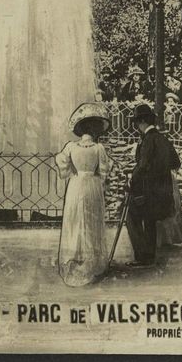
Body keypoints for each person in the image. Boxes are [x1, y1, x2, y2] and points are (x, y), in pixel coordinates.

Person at [55, 102, 113, 286]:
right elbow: (104, 170)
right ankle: (91, 259)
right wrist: (99, 178)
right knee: (91, 220)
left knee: (74, 220)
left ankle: (74, 255)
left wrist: (73, 169)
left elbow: (61, 163)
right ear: (95, 131)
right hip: (92, 185)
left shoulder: (71, 147)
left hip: (76, 184)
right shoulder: (99, 149)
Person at [125, 104, 179, 268]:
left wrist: (131, 180)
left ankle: (143, 257)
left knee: (132, 218)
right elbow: (176, 162)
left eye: (136, 123)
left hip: (147, 189)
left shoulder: (148, 140)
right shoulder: (163, 139)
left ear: (141, 122)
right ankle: (149, 256)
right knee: (149, 221)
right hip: (162, 191)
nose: (136, 127)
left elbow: (142, 166)